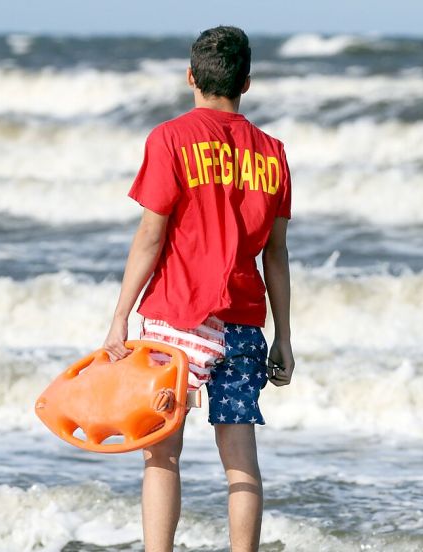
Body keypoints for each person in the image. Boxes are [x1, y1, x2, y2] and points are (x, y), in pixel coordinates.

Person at [100, 26, 294, 552]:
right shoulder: (272, 153)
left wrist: (120, 316)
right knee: (241, 461)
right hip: (244, 322)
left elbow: (150, 234)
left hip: (176, 320)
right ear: (246, 82)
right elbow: (275, 255)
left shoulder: (169, 138)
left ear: (190, 76)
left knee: (161, 454)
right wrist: (284, 336)